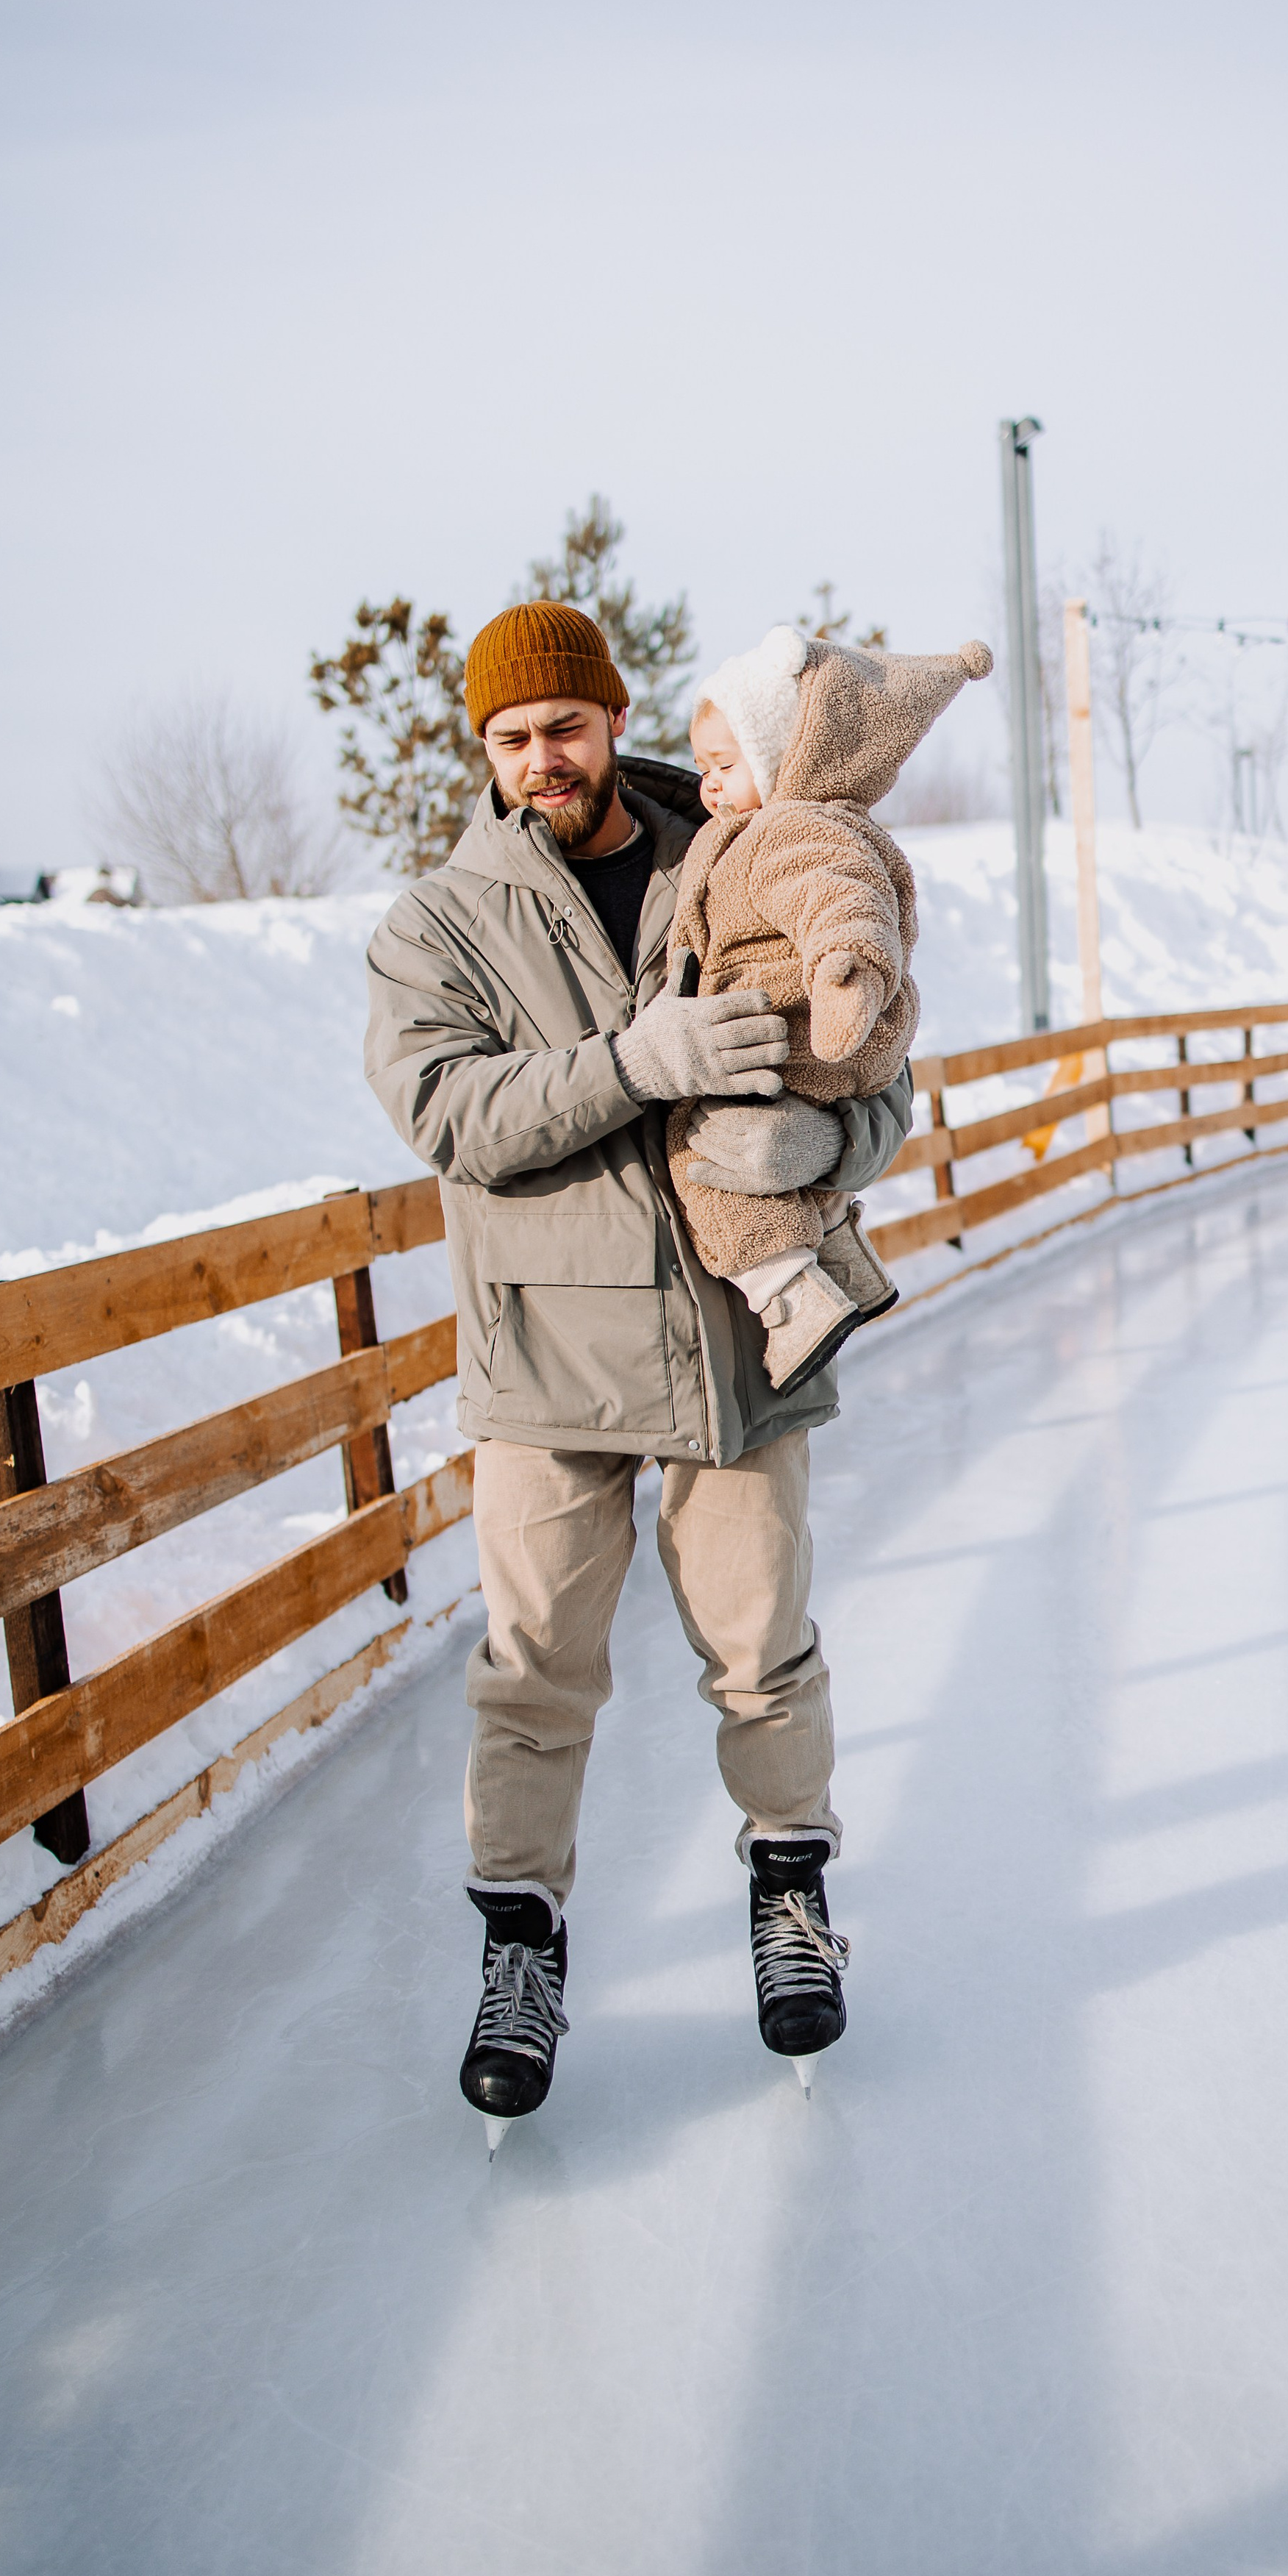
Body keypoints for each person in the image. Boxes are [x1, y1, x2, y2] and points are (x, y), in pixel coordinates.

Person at [362, 599, 914, 2143]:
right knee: (533, 1674)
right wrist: (636, 1064)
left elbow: (881, 1069)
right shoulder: (438, 925)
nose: (543, 757)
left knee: (761, 1650)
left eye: (565, 725)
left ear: (612, 720)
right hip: (548, 1355)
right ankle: (518, 1953)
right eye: (510, 737)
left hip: (737, 1347)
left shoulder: (746, 841)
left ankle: (791, 1895)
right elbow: (453, 1115)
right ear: (485, 752)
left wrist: (831, 1138)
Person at [672, 624, 992, 1394]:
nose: (708, 787)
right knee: (785, 1172)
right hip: (804, 1042)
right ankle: (845, 1262)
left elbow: (838, 900)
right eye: (702, 768)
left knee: (700, 1157)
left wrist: (846, 971)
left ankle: (791, 1300)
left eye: (725, 765)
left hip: (794, 1036)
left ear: (785, 759)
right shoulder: (771, 828)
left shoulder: (788, 831)